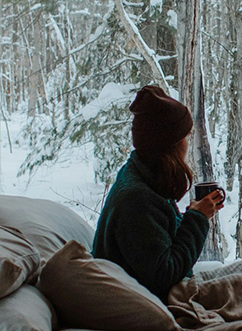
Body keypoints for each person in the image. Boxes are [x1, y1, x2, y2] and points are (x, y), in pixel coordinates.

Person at [93, 85, 225, 300]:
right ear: (170, 145)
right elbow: (164, 275)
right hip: (141, 301)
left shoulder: (140, 176)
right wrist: (197, 219)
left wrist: (190, 215)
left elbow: (154, 240)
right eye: (186, 136)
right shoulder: (137, 200)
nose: (187, 143)